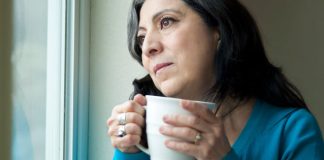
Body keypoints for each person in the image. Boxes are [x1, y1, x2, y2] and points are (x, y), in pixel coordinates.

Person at [107, 0, 324, 159]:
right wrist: (128, 151)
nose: (147, 47)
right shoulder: (144, 137)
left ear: (217, 28)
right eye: (142, 38)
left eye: (166, 22)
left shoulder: (292, 132)